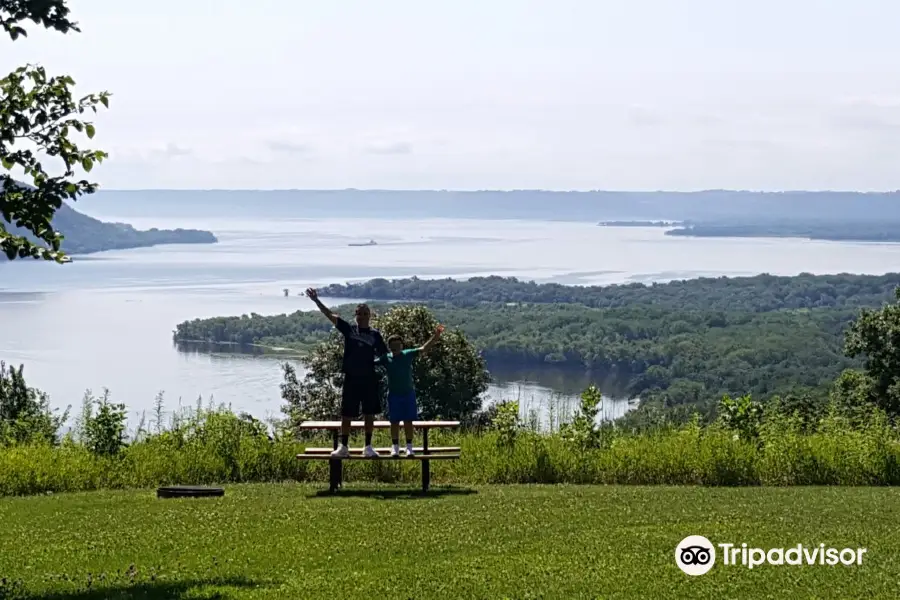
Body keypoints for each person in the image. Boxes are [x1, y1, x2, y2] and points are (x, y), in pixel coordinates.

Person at [305, 288, 388, 458]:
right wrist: (316, 300)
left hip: (369, 378)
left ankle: (368, 446)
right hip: (351, 377)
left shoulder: (375, 335)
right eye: (359, 313)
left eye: (365, 313)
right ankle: (344, 447)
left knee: (369, 413)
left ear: (369, 316)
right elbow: (330, 315)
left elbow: (385, 355)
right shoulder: (349, 330)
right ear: (355, 315)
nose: (362, 316)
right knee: (347, 413)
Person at [376, 324, 444, 457]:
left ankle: (409, 447)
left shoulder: (408, 354)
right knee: (394, 422)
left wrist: (436, 336)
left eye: (398, 344)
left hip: (408, 394)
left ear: (402, 345)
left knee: (408, 421)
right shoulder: (386, 358)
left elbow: (424, 348)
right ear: (390, 347)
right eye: (393, 345)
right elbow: (370, 362)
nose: (396, 347)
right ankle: (395, 447)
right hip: (394, 395)